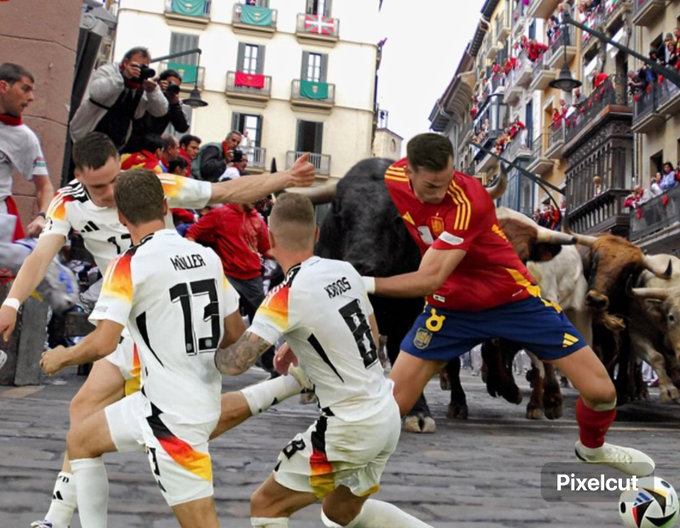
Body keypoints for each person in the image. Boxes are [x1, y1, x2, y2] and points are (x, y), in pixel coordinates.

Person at [0, 132, 315, 528]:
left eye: (114, 180)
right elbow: (41, 256)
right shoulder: (67, 203)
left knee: (168, 412)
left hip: (151, 318)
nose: (112, 193)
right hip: (126, 317)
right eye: (99, 187)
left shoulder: (146, 188)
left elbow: (225, 191)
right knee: (87, 417)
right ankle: (57, 519)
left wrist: (285, 178)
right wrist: (11, 302)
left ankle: (60, 517)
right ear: (79, 176)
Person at [364, 133, 655, 478]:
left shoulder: (469, 198)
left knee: (601, 391)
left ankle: (593, 448)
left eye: (446, 181)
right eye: (430, 186)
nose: (440, 193)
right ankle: (338, 476)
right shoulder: (393, 178)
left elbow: (429, 278)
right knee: (389, 409)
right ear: (408, 172)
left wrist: (363, 283)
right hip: (450, 308)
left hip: (513, 301)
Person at [39, 169, 245, 527]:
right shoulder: (206, 256)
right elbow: (234, 333)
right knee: (82, 440)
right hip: (172, 402)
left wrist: (62, 357)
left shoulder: (129, 264)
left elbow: (103, 342)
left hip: (171, 418)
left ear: (121, 217)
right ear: (165, 206)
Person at [214, 193, 432, 528]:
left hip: (349, 426)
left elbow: (235, 364)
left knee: (267, 505)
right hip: (385, 415)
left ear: (269, 238)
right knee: (340, 514)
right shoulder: (344, 271)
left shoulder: (285, 295)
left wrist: (210, 339)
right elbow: (372, 335)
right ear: (316, 233)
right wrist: (301, 345)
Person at [69, 47, 168, 150]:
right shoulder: (109, 71)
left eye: (144, 67)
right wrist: (122, 77)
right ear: (126, 62)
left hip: (115, 143)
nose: (139, 71)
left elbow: (161, 111)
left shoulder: (143, 86)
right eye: (136, 66)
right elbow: (95, 92)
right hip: (85, 135)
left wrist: (153, 91)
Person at [0, 63, 53, 240]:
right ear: (3, 87)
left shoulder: (24, 137)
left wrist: (42, 216)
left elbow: (45, 187)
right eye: (25, 89)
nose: (31, 98)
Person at [123, 68, 189, 152]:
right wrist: (156, 91)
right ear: (160, 82)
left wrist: (175, 105)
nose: (172, 87)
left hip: (150, 148)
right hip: (130, 141)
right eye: (169, 83)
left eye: (176, 86)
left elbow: (182, 127)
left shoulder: (172, 103)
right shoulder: (148, 91)